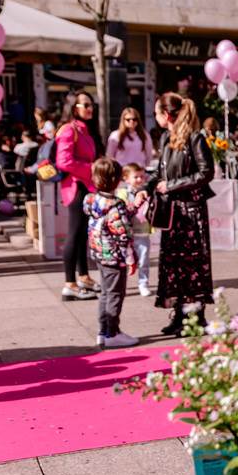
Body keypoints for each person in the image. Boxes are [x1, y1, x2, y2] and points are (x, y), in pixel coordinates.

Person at [151, 92, 215, 335]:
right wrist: (146, 188)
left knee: (193, 264)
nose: (155, 117)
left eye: (157, 112)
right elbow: (161, 173)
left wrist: (173, 185)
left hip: (191, 210)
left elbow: (206, 172)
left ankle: (196, 317)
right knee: (173, 263)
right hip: (172, 212)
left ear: (166, 114)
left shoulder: (195, 138)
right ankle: (179, 314)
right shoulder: (166, 138)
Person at [85, 159, 143, 349]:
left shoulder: (91, 200)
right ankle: (113, 333)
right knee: (115, 294)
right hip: (114, 256)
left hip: (98, 252)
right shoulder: (115, 204)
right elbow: (123, 233)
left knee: (105, 293)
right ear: (117, 179)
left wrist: (133, 206)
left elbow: (118, 218)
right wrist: (131, 259)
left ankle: (103, 332)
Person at [56, 92, 101, 301]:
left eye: (91, 104)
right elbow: (63, 161)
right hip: (75, 188)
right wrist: (91, 168)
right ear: (75, 108)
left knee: (82, 234)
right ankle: (69, 284)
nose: (89, 108)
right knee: (74, 234)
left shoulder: (85, 130)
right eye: (85, 105)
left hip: (85, 187)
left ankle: (83, 277)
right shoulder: (68, 130)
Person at [118, 163, 154, 297]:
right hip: (126, 235)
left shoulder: (147, 193)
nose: (140, 180)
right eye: (136, 177)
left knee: (144, 259)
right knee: (124, 261)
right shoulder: (122, 193)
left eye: (142, 177)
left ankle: (143, 283)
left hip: (142, 232)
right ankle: (122, 285)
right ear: (126, 178)